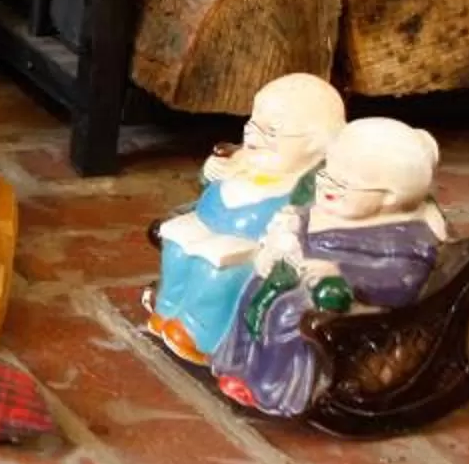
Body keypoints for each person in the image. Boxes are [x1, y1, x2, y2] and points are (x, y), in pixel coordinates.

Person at [210, 118, 450, 418]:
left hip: (351, 302)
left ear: (389, 197)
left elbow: (403, 280)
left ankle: (274, 387)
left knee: (287, 314)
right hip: (302, 277)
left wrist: (341, 275)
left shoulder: (402, 236)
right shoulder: (327, 210)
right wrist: (284, 236)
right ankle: (241, 365)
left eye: (342, 184)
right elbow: (298, 231)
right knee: (252, 289)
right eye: (326, 173)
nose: (325, 185)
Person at [146, 72, 348, 366]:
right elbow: (210, 178)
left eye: (272, 132)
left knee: (216, 276)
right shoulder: (244, 160)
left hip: (247, 245)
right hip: (205, 225)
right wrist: (212, 169)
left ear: (316, 144)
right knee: (176, 253)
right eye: (253, 123)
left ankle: (198, 332)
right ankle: (167, 308)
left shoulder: (308, 184)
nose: (254, 136)